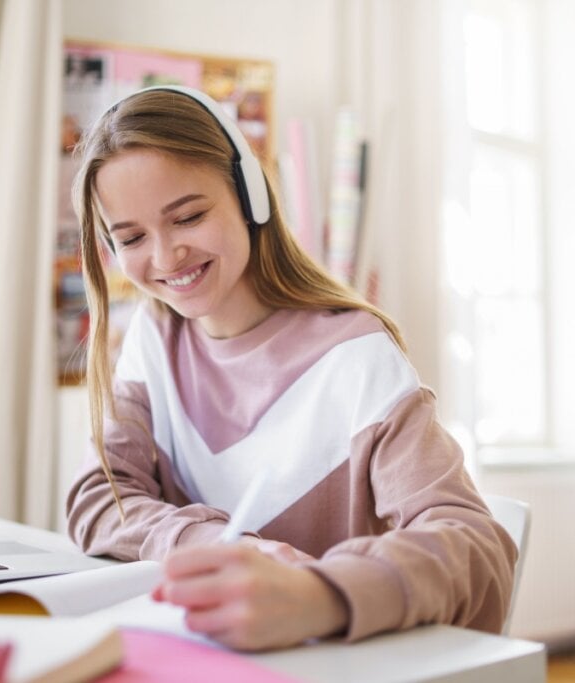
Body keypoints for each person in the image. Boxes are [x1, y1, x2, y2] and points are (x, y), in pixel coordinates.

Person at [65, 85, 517, 652]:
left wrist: (320, 594)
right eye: (130, 237)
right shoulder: (154, 336)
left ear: (250, 193)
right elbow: (99, 498)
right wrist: (210, 544)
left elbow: (473, 543)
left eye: (189, 217)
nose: (164, 257)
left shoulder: (354, 353)